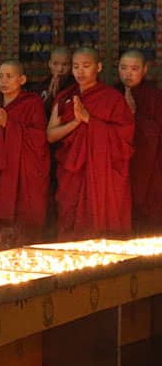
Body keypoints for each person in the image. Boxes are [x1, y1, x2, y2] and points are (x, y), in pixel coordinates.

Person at [47, 48, 134, 240]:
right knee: (70, 219)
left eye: (86, 66)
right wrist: (76, 122)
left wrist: (90, 121)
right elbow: (51, 135)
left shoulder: (112, 98)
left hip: (102, 173)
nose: (80, 71)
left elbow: (125, 139)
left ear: (98, 67)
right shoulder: (65, 97)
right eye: (76, 66)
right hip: (72, 171)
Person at [0, 61, 49, 250]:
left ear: (22, 79)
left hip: (22, 174)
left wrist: (11, 126)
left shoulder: (32, 103)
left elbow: (40, 139)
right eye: (0, 76)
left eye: (9, 76)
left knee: (21, 225)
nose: (4, 81)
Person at [117, 50, 162, 234]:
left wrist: (135, 116)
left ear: (145, 70)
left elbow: (157, 133)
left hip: (148, 164)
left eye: (134, 69)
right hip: (119, 163)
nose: (128, 73)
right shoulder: (110, 93)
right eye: (124, 68)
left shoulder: (155, 97)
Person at [27, 47, 74, 115]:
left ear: (71, 65)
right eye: (55, 64)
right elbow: (37, 113)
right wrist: (50, 96)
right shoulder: (41, 86)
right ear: (49, 64)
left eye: (65, 64)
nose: (60, 69)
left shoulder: (76, 85)